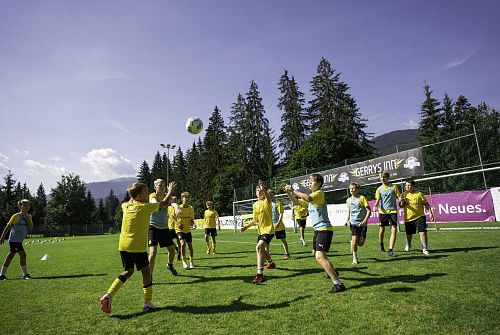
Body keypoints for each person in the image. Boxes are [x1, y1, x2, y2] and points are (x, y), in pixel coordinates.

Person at [99, 181, 176, 314]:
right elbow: (163, 204)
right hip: (136, 246)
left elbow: (130, 199)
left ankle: (108, 295)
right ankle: (147, 303)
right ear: (139, 196)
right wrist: (169, 191)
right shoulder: (144, 207)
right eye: (146, 192)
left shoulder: (125, 206)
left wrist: (133, 193)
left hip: (123, 245)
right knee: (146, 273)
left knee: (128, 271)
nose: (148, 194)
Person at [282, 174, 346, 293]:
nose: (309, 183)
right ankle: (333, 271)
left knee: (320, 256)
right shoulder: (312, 197)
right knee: (316, 254)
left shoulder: (318, 194)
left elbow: (308, 198)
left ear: (319, 183)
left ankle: (338, 283)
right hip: (318, 230)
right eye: (309, 182)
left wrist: (293, 190)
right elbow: (297, 203)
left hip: (324, 229)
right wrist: (288, 192)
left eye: (311, 181)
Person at [240, 181, 276, 284]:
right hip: (261, 231)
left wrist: (263, 188)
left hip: (268, 230)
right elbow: (255, 220)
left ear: (264, 192)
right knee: (263, 250)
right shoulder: (255, 205)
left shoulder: (267, 201)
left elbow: (268, 197)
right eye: (258, 190)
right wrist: (246, 227)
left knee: (259, 247)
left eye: (261, 190)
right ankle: (271, 263)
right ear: (255, 193)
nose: (259, 192)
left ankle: (260, 274)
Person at [148, 179, 179, 278]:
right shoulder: (152, 196)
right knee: (153, 252)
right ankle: (149, 275)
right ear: (155, 187)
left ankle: (170, 265)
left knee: (172, 250)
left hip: (164, 228)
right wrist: (170, 192)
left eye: (163, 185)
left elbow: (173, 203)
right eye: (160, 185)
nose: (162, 187)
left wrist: (177, 208)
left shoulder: (167, 195)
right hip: (153, 227)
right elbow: (161, 204)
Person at [399, 178, 435, 255]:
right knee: (409, 234)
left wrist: (431, 213)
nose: (407, 187)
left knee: (422, 232)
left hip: (420, 216)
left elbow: (426, 204)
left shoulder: (419, 194)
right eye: (406, 185)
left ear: (413, 186)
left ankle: (424, 248)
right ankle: (408, 245)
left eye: (409, 185)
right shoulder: (404, 194)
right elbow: (401, 206)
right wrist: (401, 200)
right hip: (408, 218)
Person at [0, 199, 33, 280]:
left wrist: (27, 218)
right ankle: (25, 275)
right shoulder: (15, 216)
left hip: (19, 240)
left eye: (28, 205)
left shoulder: (29, 217)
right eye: (24, 205)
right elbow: (8, 227)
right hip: (14, 239)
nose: (26, 207)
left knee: (10, 256)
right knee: (23, 254)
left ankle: (1, 275)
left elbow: (31, 228)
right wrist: (2, 237)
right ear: (20, 206)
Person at [373, 171, 401, 257]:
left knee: (394, 230)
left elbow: (399, 196)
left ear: (388, 178)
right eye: (381, 177)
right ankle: (381, 244)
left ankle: (390, 250)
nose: (382, 178)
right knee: (382, 230)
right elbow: (378, 200)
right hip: (383, 212)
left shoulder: (394, 187)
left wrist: (401, 199)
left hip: (393, 211)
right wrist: (375, 206)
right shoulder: (379, 189)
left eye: (384, 177)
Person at [345, 182, 371, 264]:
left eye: (353, 188)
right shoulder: (348, 200)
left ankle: (352, 243)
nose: (351, 190)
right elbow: (349, 211)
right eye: (350, 188)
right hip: (353, 224)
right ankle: (355, 258)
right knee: (355, 239)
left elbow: (369, 211)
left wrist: (364, 221)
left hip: (362, 224)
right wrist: (347, 220)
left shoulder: (362, 198)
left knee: (361, 243)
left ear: (357, 189)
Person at [175, 192, 195, 269]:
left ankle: (191, 262)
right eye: (184, 197)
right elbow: (171, 217)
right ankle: (184, 261)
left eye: (187, 197)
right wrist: (177, 223)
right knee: (183, 244)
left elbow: (191, 219)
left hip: (188, 230)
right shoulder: (178, 208)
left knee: (190, 246)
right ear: (182, 198)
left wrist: (193, 224)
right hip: (179, 230)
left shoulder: (191, 209)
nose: (186, 199)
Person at [268, 189, 291, 259]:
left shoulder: (277, 202)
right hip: (270, 225)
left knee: (283, 240)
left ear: (273, 195)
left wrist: (278, 222)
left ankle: (287, 253)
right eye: (269, 194)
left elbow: (281, 213)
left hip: (279, 225)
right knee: (267, 241)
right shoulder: (266, 203)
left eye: (271, 194)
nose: (270, 195)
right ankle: (267, 255)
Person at [168, 196, 181, 261]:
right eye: (173, 199)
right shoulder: (168, 208)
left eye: (176, 199)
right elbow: (169, 216)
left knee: (179, 241)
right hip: (170, 227)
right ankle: (176, 248)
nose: (175, 200)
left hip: (177, 227)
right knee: (169, 241)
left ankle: (179, 254)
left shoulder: (179, 207)